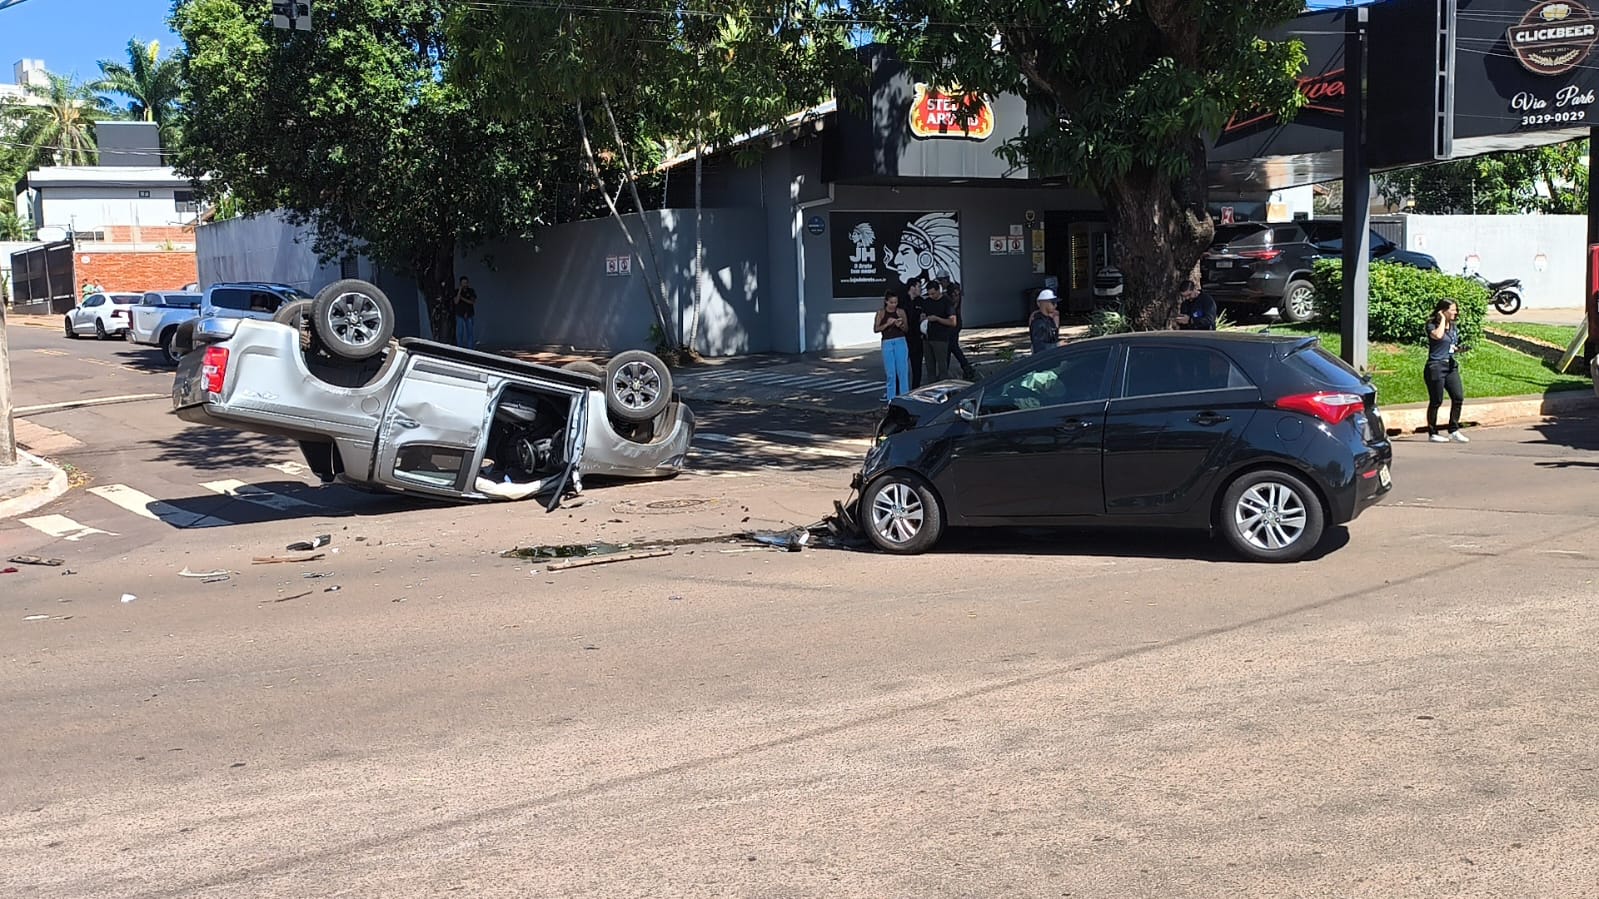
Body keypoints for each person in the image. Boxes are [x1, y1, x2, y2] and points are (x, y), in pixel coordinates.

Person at [1425, 298, 1468, 443]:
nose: (1456, 312)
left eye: (1456, 310)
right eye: (1452, 310)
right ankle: (1433, 433)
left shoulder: (1454, 327)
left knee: (1458, 397)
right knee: (1436, 401)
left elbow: (1449, 345)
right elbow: (1438, 336)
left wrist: (1457, 349)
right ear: (1442, 311)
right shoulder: (1431, 325)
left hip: (1450, 366)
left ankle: (1454, 429)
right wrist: (1442, 319)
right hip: (1436, 366)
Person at [874, 289, 911, 401]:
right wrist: (887, 324)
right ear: (886, 301)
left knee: (902, 371)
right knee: (890, 373)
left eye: (895, 302)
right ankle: (891, 399)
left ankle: (905, 398)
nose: (894, 305)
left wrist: (900, 325)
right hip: (887, 342)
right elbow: (876, 329)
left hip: (900, 340)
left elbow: (906, 329)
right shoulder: (881, 313)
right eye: (891, 302)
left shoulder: (900, 312)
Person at [921, 278, 959, 382]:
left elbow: (953, 322)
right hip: (927, 337)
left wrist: (937, 319)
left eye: (933, 293)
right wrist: (923, 317)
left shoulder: (946, 302)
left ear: (938, 290)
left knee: (942, 366)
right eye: (929, 294)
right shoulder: (927, 302)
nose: (931, 296)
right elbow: (923, 314)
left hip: (940, 338)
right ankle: (932, 384)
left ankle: (944, 385)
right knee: (929, 366)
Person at [947, 281, 976, 380]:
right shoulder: (953, 290)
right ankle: (965, 367)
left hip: (954, 322)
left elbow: (954, 304)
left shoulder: (953, 291)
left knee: (952, 346)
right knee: (951, 346)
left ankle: (966, 367)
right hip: (955, 321)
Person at [902, 278, 926, 390]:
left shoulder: (921, 301)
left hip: (917, 338)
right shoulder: (902, 301)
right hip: (904, 338)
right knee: (901, 365)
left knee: (917, 366)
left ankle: (915, 388)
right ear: (912, 287)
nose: (920, 289)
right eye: (919, 286)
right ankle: (900, 389)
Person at [1029, 288, 1061, 355]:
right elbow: (1038, 347)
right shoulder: (1038, 322)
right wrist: (1057, 345)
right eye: (1053, 303)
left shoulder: (1049, 320)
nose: (1055, 305)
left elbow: (1053, 339)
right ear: (1045, 303)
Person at [453, 276, 477, 349]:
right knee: (460, 332)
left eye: (466, 283)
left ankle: (470, 349)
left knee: (470, 332)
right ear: (460, 283)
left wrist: (462, 298)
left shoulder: (471, 291)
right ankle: (459, 348)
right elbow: (456, 301)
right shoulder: (456, 291)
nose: (465, 284)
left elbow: (472, 302)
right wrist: (460, 291)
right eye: (463, 283)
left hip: (469, 314)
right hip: (460, 314)